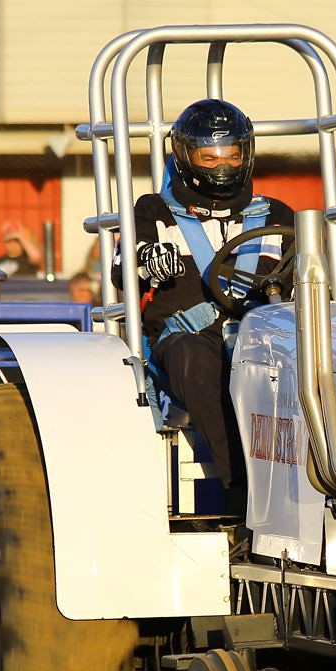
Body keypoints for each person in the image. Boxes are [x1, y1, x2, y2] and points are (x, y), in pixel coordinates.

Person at [120, 98, 294, 493]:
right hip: (187, 339)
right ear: (185, 157)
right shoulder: (153, 212)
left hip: (262, 337)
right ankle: (245, 491)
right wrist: (148, 258)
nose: (222, 167)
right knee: (197, 360)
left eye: (232, 156)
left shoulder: (277, 215)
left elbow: (309, 277)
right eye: (209, 157)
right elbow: (122, 267)